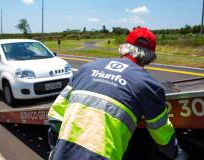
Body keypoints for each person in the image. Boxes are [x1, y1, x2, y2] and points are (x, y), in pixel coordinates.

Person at [48, 27, 188, 160]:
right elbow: (161, 132)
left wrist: (56, 147)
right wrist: (177, 154)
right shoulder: (149, 85)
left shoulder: (86, 68)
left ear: (123, 48)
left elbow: (56, 113)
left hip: (63, 152)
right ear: (150, 57)